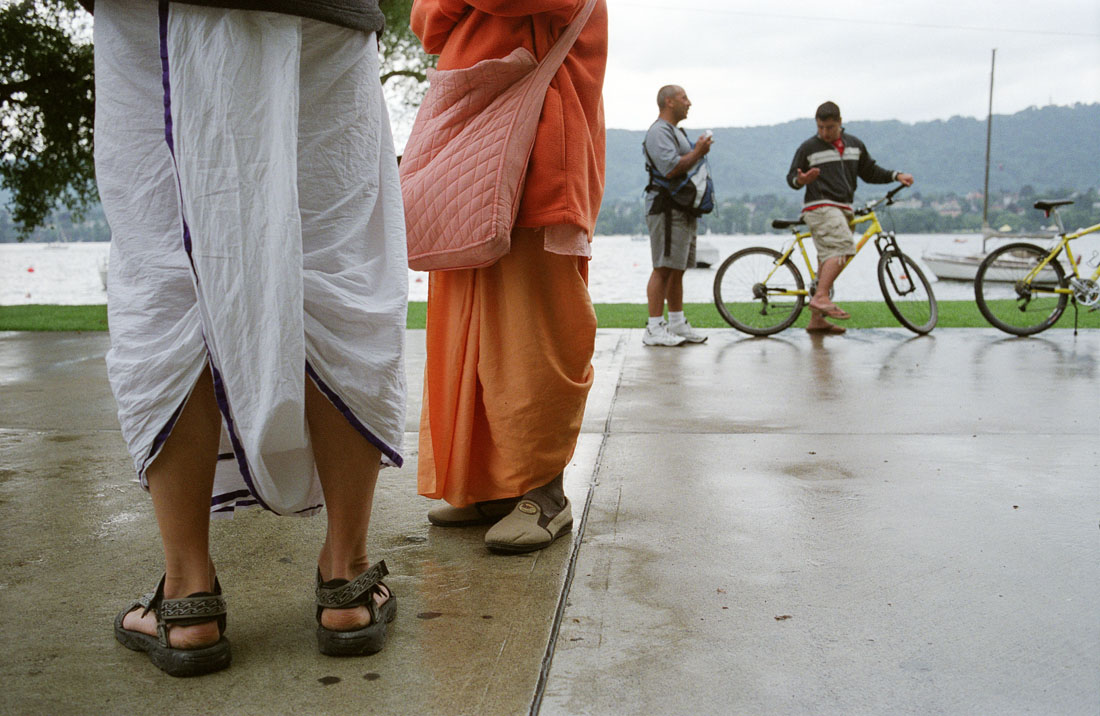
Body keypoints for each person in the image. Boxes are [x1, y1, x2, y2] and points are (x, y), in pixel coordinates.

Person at [90, 0, 407, 676]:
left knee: (168, 270)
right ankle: (346, 581)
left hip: (151, 12)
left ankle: (187, 600)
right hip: (324, 13)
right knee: (336, 267)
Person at [409, 0, 607, 554]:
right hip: (474, 158)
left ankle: (544, 492)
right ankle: (487, 483)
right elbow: (424, 23)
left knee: (533, 334)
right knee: (463, 330)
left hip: (540, 160)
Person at [787, 101, 914, 334]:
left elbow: (870, 172)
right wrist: (802, 181)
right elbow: (792, 178)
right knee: (844, 246)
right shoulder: (808, 148)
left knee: (827, 260)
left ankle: (817, 320)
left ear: (840, 123)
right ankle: (822, 297)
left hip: (843, 207)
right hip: (821, 206)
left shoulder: (855, 145)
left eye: (830, 127)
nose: (825, 133)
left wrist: (897, 175)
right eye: (821, 127)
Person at [641, 85, 713, 346]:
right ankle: (653, 328)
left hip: (681, 208)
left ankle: (677, 323)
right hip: (666, 208)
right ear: (669, 102)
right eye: (684, 98)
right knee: (662, 267)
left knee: (677, 268)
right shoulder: (659, 131)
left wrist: (696, 151)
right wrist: (698, 152)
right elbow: (671, 168)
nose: (689, 102)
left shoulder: (674, 132)